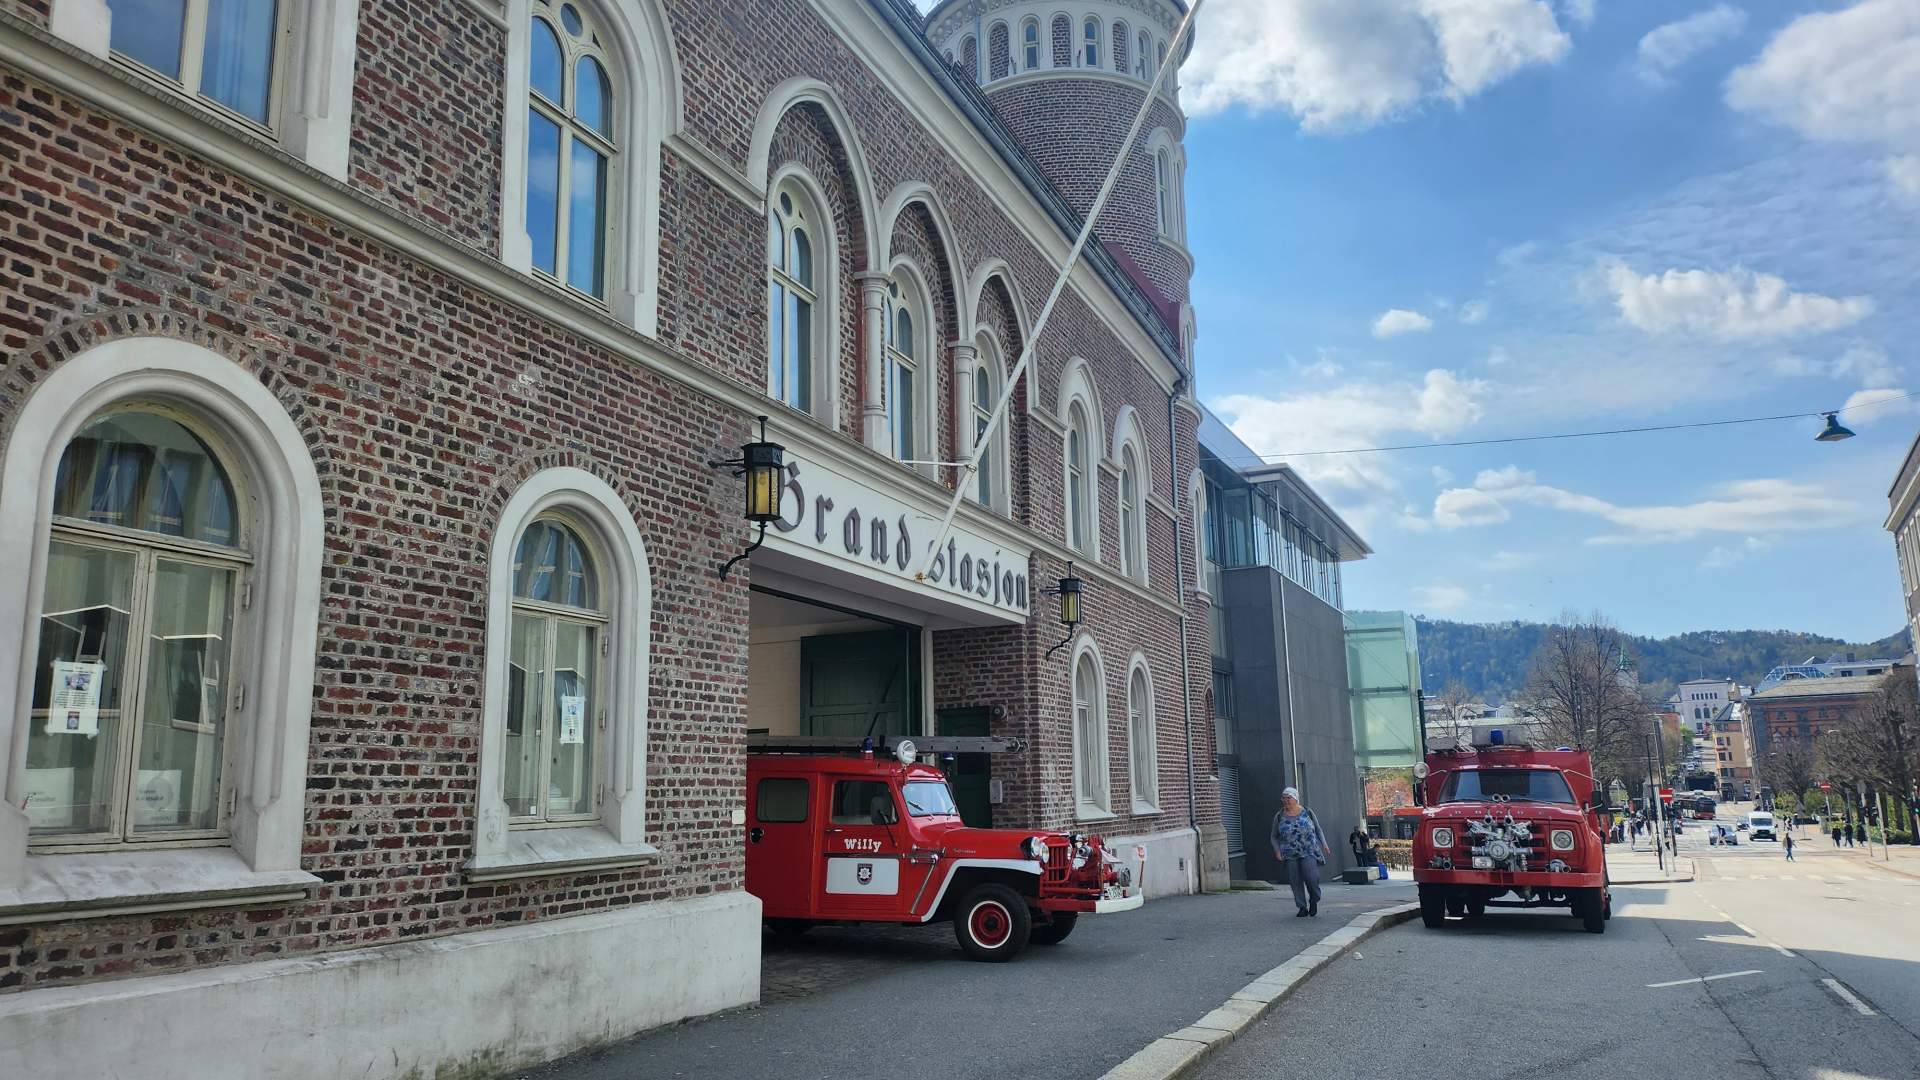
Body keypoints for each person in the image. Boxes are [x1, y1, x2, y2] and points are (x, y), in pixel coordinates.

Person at [1271, 787, 1329, 918]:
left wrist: (1324, 844)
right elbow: (1273, 836)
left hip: (1309, 850)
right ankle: (1302, 906)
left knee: (1311, 877)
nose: (1285, 801)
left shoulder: (1307, 812)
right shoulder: (1279, 816)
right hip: (1290, 853)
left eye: (1288, 798)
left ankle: (1314, 899)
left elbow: (1318, 829)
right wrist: (1277, 850)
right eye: (1283, 798)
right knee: (1295, 880)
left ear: (1295, 798)